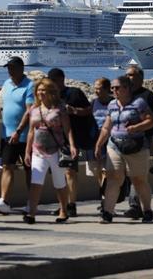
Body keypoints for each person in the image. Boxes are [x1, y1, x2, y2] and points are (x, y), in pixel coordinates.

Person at [95, 75, 153, 223]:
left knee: (138, 180)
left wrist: (136, 127)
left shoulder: (139, 103)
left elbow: (151, 120)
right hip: (115, 145)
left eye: (117, 87)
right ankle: (108, 212)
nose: (114, 90)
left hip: (136, 147)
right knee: (113, 178)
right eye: (112, 88)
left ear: (127, 88)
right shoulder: (112, 105)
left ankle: (147, 210)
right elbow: (107, 127)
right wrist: (99, 144)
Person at [23, 78, 76, 224]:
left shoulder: (59, 109)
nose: (40, 93)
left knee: (59, 183)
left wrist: (72, 145)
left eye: (43, 90)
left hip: (56, 150)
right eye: (39, 90)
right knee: (36, 182)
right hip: (38, 150)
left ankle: (63, 211)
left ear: (51, 92)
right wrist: (27, 151)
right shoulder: (33, 109)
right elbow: (31, 132)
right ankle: (31, 213)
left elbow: (67, 128)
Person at [0, 57, 34, 215]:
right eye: (8, 68)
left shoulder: (30, 86)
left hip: (23, 135)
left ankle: (31, 202)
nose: (10, 71)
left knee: (30, 169)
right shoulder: (7, 84)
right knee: (7, 166)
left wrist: (19, 130)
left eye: (13, 68)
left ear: (21, 68)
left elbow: (29, 110)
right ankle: (4, 201)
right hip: (6, 134)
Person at [47, 68, 94, 217]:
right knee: (57, 173)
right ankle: (63, 204)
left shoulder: (74, 93)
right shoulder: (50, 97)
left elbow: (88, 110)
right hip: (53, 140)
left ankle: (71, 205)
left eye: (54, 81)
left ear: (62, 79)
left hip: (71, 139)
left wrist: (73, 111)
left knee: (70, 171)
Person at [124, 65, 153, 219]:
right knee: (127, 174)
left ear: (140, 78)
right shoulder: (123, 95)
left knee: (137, 174)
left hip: (143, 140)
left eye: (131, 75)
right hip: (123, 140)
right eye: (126, 75)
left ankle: (135, 206)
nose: (128, 77)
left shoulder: (148, 96)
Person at [90, 78, 113, 208]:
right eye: (95, 88)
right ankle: (103, 197)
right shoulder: (93, 102)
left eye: (98, 88)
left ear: (106, 89)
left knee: (107, 171)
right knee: (98, 170)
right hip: (96, 138)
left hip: (109, 138)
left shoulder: (113, 103)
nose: (96, 91)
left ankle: (107, 199)